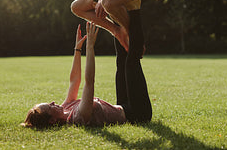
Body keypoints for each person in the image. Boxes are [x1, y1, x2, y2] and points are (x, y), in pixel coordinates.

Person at [21, 22, 152, 127]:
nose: (53, 102)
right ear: (52, 121)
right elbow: (89, 82)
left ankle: (118, 11)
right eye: (50, 106)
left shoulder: (66, 107)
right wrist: (90, 46)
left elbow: (74, 81)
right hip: (136, 113)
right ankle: (133, 10)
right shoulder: (78, 117)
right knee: (130, 62)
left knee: (121, 58)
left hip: (122, 104)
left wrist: (77, 49)